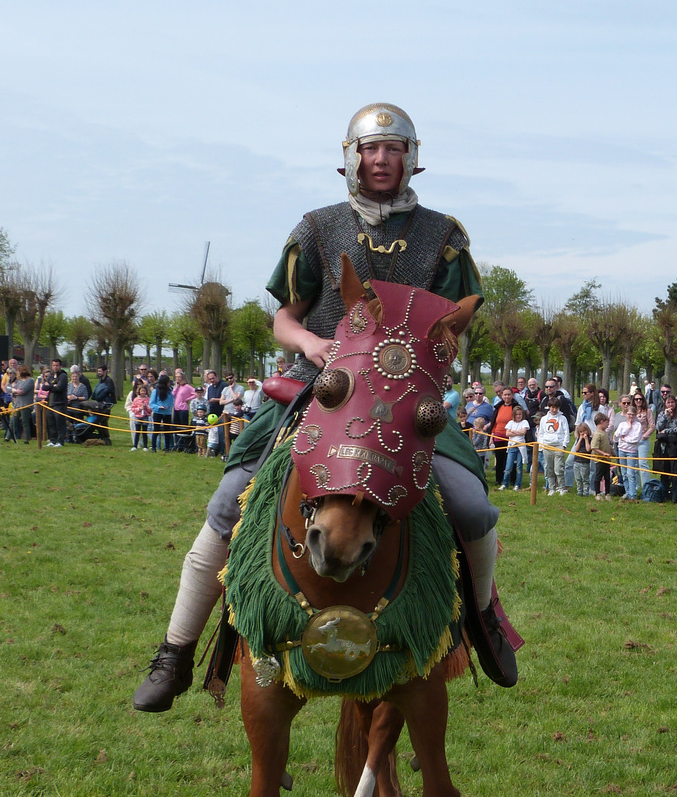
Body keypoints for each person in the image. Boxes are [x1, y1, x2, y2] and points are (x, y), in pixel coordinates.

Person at [134, 102, 501, 712]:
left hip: (407, 399)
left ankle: (484, 622)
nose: (380, 160)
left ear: (412, 158)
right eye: (369, 149)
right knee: (228, 503)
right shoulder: (318, 227)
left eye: (392, 149)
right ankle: (175, 651)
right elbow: (285, 318)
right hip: (319, 388)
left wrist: (430, 353)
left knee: (470, 505)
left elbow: (453, 326)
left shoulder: (444, 237)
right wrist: (312, 344)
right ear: (350, 157)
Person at [653, 392, 677, 502]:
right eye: (668, 402)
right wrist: (665, 416)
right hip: (664, 447)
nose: (670, 405)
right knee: (664, 471)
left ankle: (675, 496)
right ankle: (663, 495)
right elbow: (658, 427)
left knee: (676, 471)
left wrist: (666, 431)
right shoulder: (661, 414)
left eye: (672, 402)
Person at [537, 395, 570, 496]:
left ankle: (561, 488)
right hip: (547, 446)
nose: (554, 410)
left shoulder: (562, 418)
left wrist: (564, 445)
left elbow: (566, 432)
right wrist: (541, 446)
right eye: (552, 407)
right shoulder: (544, 419)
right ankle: (551, 488)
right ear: (549, 407)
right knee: (549, 468)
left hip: (558, 445)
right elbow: (541, 433)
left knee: (558, 468)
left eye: (556, 407)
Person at [615, 394, 646, 501]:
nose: (630, 416)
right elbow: (617, 434)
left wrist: (625, 439)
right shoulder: (623, 424)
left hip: (631, 452)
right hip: (621, 451)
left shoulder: (638, 425)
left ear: (635, 415)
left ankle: (633, 495)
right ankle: (627, 493)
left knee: (631, 473)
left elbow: (635, 439)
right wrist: (627, 429)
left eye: (632, 414)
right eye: (629, 414)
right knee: (624, 473)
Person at [502, 405, 530, 490]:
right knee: (508, 466)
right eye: (517, 414)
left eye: (520, 414)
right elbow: (507, 434)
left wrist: (513, 431)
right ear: (514, 415)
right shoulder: (510, 423)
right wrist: (517, 432)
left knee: (519, 466)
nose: (518, 416)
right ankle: (505, 483)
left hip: (520, 446)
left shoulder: (524, 422)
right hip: (512, 446)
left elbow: (523, 432)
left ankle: (518, 484)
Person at [590, 412, 615, 500]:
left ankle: (607, 494)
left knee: (607, 477)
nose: (608, 425)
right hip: (600, 460)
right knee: (598, 477)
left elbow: (607, 444)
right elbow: (594, 447)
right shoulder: (597, 434)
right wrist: (603, 453)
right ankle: (598, 494)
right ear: (601, 422)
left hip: (607, 460)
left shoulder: (604, 433)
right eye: (607, 423)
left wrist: (612, 452)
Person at [45, 358, 69, 446]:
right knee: (51, 424)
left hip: (60, 403)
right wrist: (53, 385)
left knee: (60, 423)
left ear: (60, 366)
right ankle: (52, 440)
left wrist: (50, 386)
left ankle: (60, 441)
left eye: (57, 365)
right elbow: (44, 387)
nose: (55, 367)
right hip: (50, 403)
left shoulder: (63, 376)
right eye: (54, 365)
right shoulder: (51, 376)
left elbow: (59, 388)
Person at [150, 374, 176, 451]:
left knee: (167, 431)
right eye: (168, 382)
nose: (169, 383)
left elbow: (171, 401)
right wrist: (158, 407)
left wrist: (169, 406)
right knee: (156, 430)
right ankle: (154, 447)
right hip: (158, 412)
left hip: (167, 413)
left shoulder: (170, 391)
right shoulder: (156, 391)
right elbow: (151, 403)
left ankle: (167, 447)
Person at [11, 367, 36, 443]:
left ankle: (27, 439)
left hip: (26, 404)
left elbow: (23, 391)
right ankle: (8, 436)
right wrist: (16, 391)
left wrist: (17, 391)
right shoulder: (19, 381)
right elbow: (12, 389)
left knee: (25, 422)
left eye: (18, 372)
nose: (17, 374)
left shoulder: (30, 381)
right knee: (13, 421)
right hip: (17, 404)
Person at [571, 421, 594, 497]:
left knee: (585, 478)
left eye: (584, 431)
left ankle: (586, 492)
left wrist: (586, 439)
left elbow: (588, 449)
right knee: (578, 478)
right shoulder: (578, 439)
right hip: (577, 460)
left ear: (587, 430)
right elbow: (576, 449)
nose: (583, 433)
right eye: (581, 432)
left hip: (585, 462)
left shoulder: (590, 439)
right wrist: (580, 439)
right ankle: (579, 491)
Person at [129, 384, 152, 450]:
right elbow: (133, 408)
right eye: (141, 391)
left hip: (145, 417)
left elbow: (150, 409)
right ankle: (135, 446)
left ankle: (145, 446)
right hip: (137, 417)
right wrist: (139, 408)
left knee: (144, 432)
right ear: (139, 391)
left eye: (144, 391)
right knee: (137, 432)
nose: (143, 392)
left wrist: (146, 407)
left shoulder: (148, 399)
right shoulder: (136, 399)